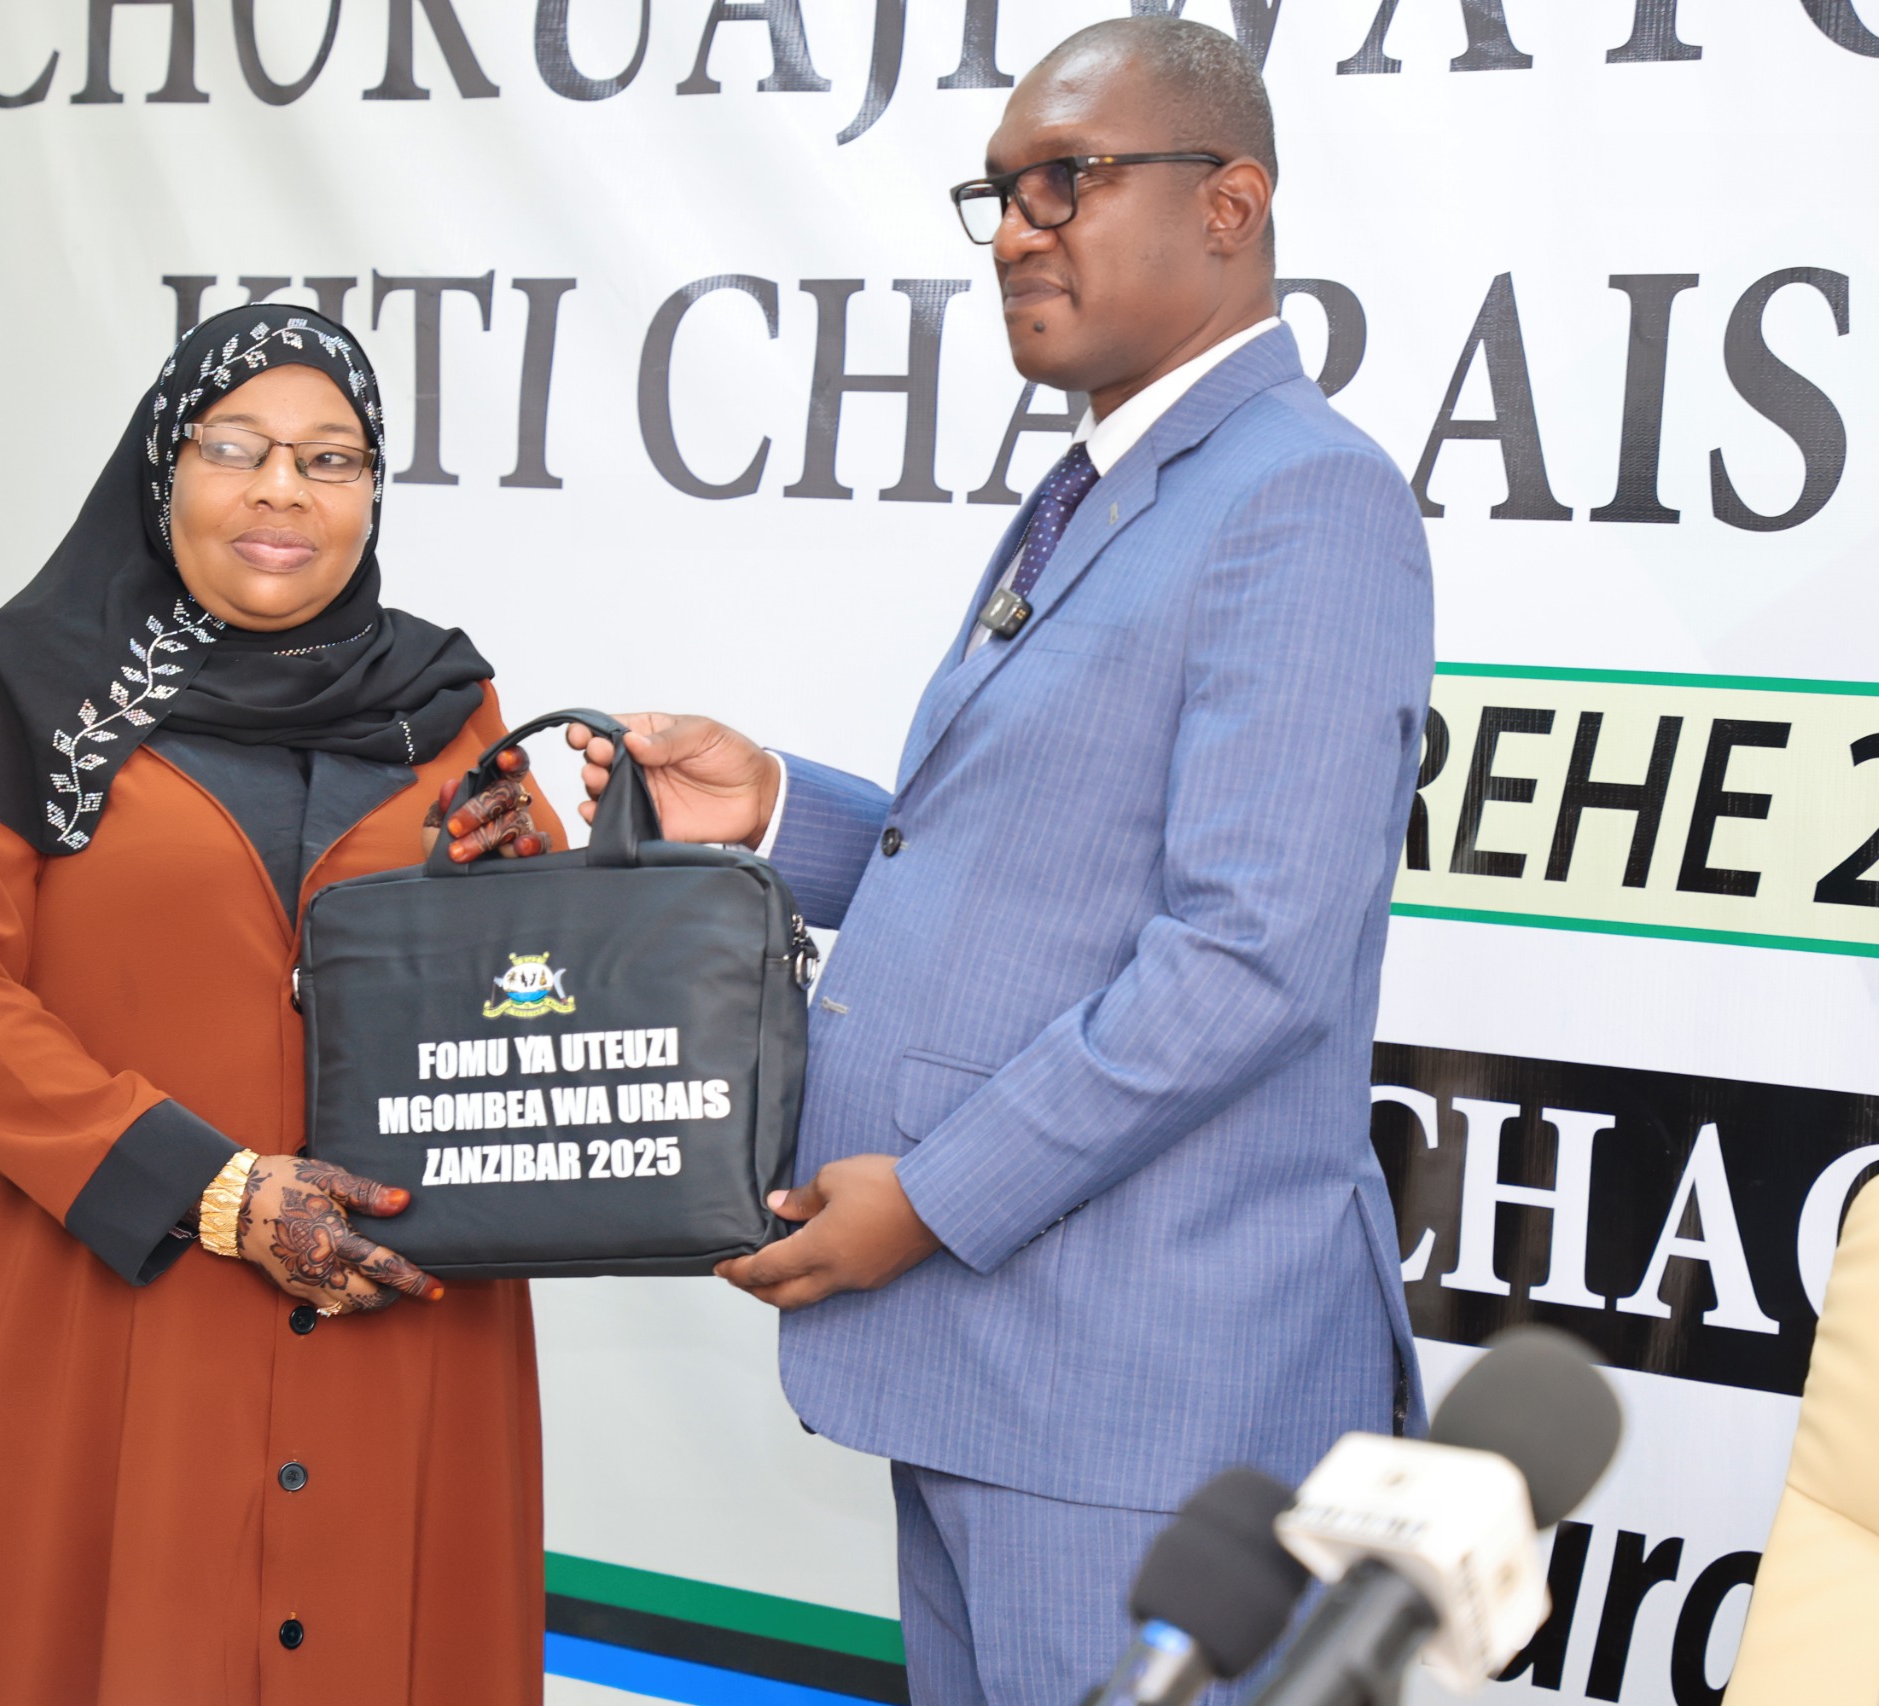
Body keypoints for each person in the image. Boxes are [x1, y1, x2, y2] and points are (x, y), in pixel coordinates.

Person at [460, 18, 1434, 1705]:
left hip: (1142, 1407)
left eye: (1067, 180)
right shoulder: (1110, 482)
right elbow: (1029, 860)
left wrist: (931, 1197)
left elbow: (1247, 956)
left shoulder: (1305, 499)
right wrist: (776, 811)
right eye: (996, 195)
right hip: (1003, 1379)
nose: (1015, 232)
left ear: (1230, 203)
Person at [0, 305, 560, 1705]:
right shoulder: (32, 690)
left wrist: (545, 886)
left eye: (331, 457)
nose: (284, 489)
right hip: (101, 1302)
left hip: (395, 1315)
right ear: (164, 468)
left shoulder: (448, 702)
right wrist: (211, 1187)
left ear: (372, 491)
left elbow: (527, 995)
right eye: (237, 448)